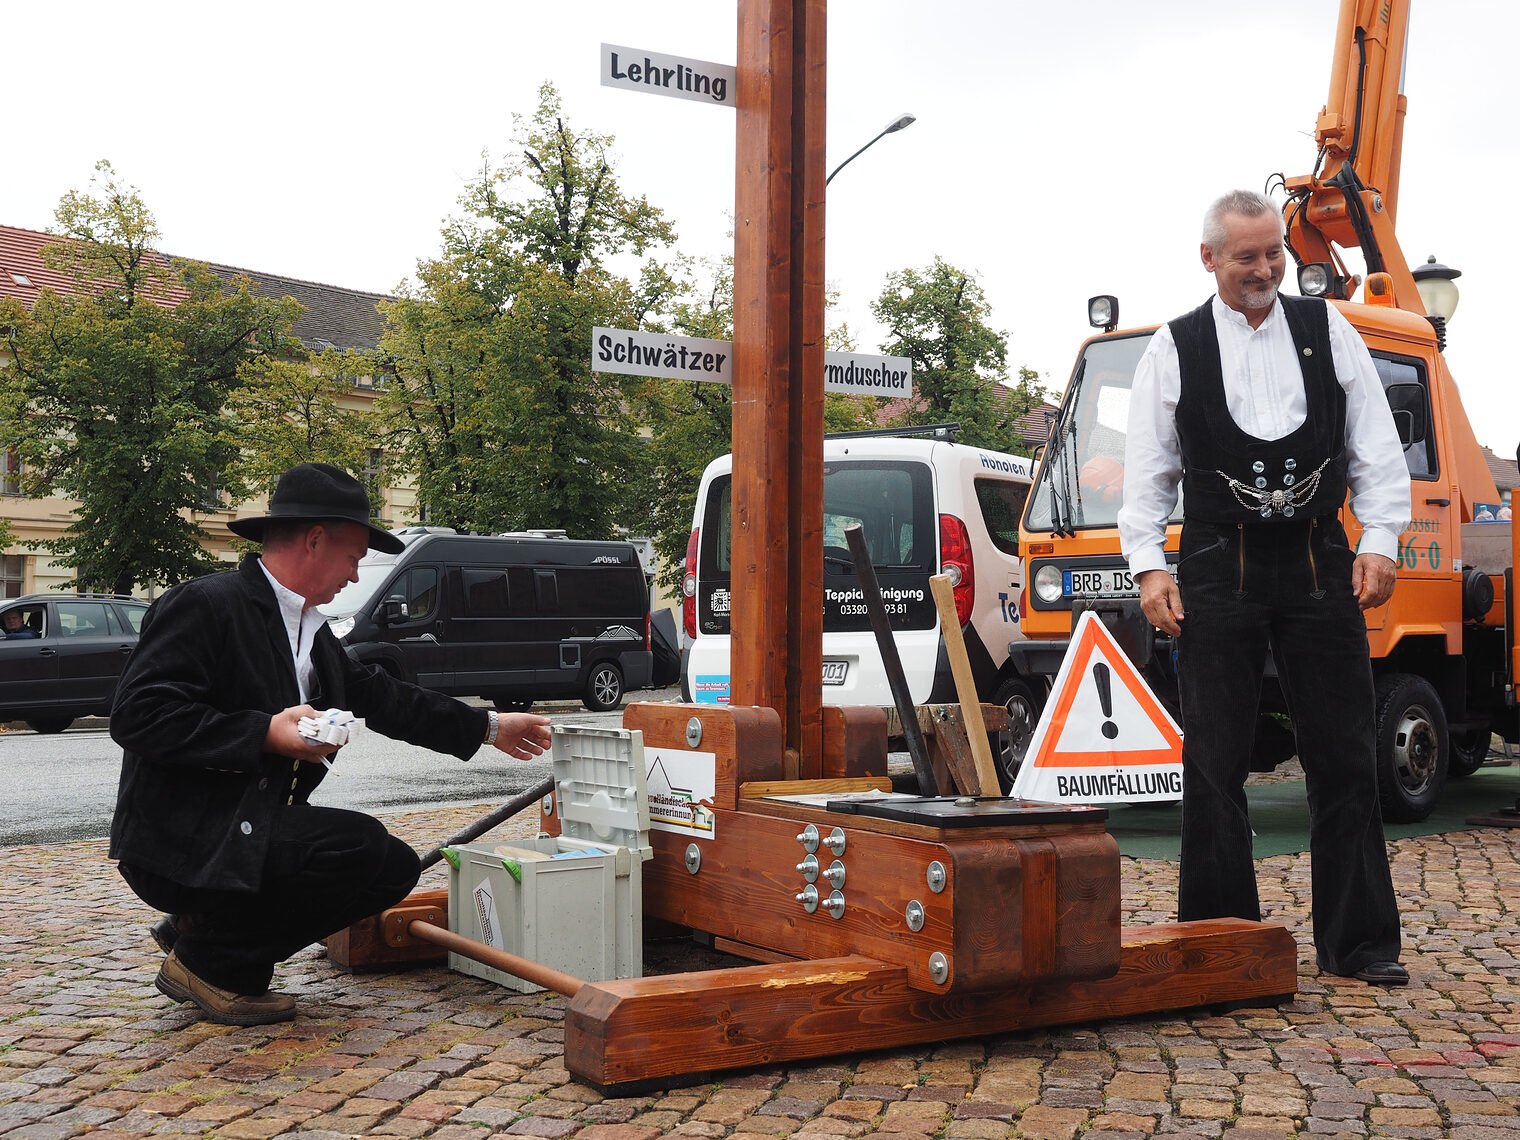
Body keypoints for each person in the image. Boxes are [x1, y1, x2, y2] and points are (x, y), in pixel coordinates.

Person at [109, 462, 553, 1025]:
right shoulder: (206, 604)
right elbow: (139, 715)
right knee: (357, 845)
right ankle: (212, 966)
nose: (354, 573)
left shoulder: (310, 630)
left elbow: (383, 696)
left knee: (393, 867)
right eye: (353, 556)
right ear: (315, 540)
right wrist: (266, 733)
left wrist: (491, 727)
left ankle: (204, 926)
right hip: (181, 839)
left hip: (237, 832)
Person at [1117, 189, 1411, 986]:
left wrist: (1380, 538)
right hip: (1220, 560)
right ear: (1208, 258)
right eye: (1247, 256)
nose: (1266, 268)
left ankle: (1359, 946)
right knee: (1213, 757)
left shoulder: (1328, 329)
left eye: (1274, 251)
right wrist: (1148, 566)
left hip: (1319, 557)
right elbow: (1148, 474)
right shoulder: (1172, 347)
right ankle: (1222, 947)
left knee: (1345, 752)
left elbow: (1375, 447)